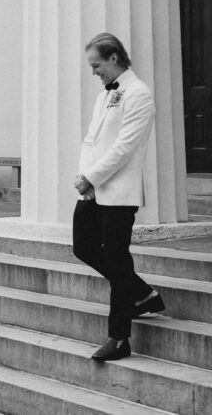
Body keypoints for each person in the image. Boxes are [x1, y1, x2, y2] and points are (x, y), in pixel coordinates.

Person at [72, 33, 165, 362]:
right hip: (94, 189)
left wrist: (91, 177)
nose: (95, 72)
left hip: (120, 191)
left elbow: (125, 148)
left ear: (114, 58)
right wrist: (86, 179)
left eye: (97, 65)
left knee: (116, 256)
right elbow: (91, 139)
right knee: (82, 246)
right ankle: (143, 294)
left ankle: (119, 338)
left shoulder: (139, 94)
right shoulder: (104, 96)